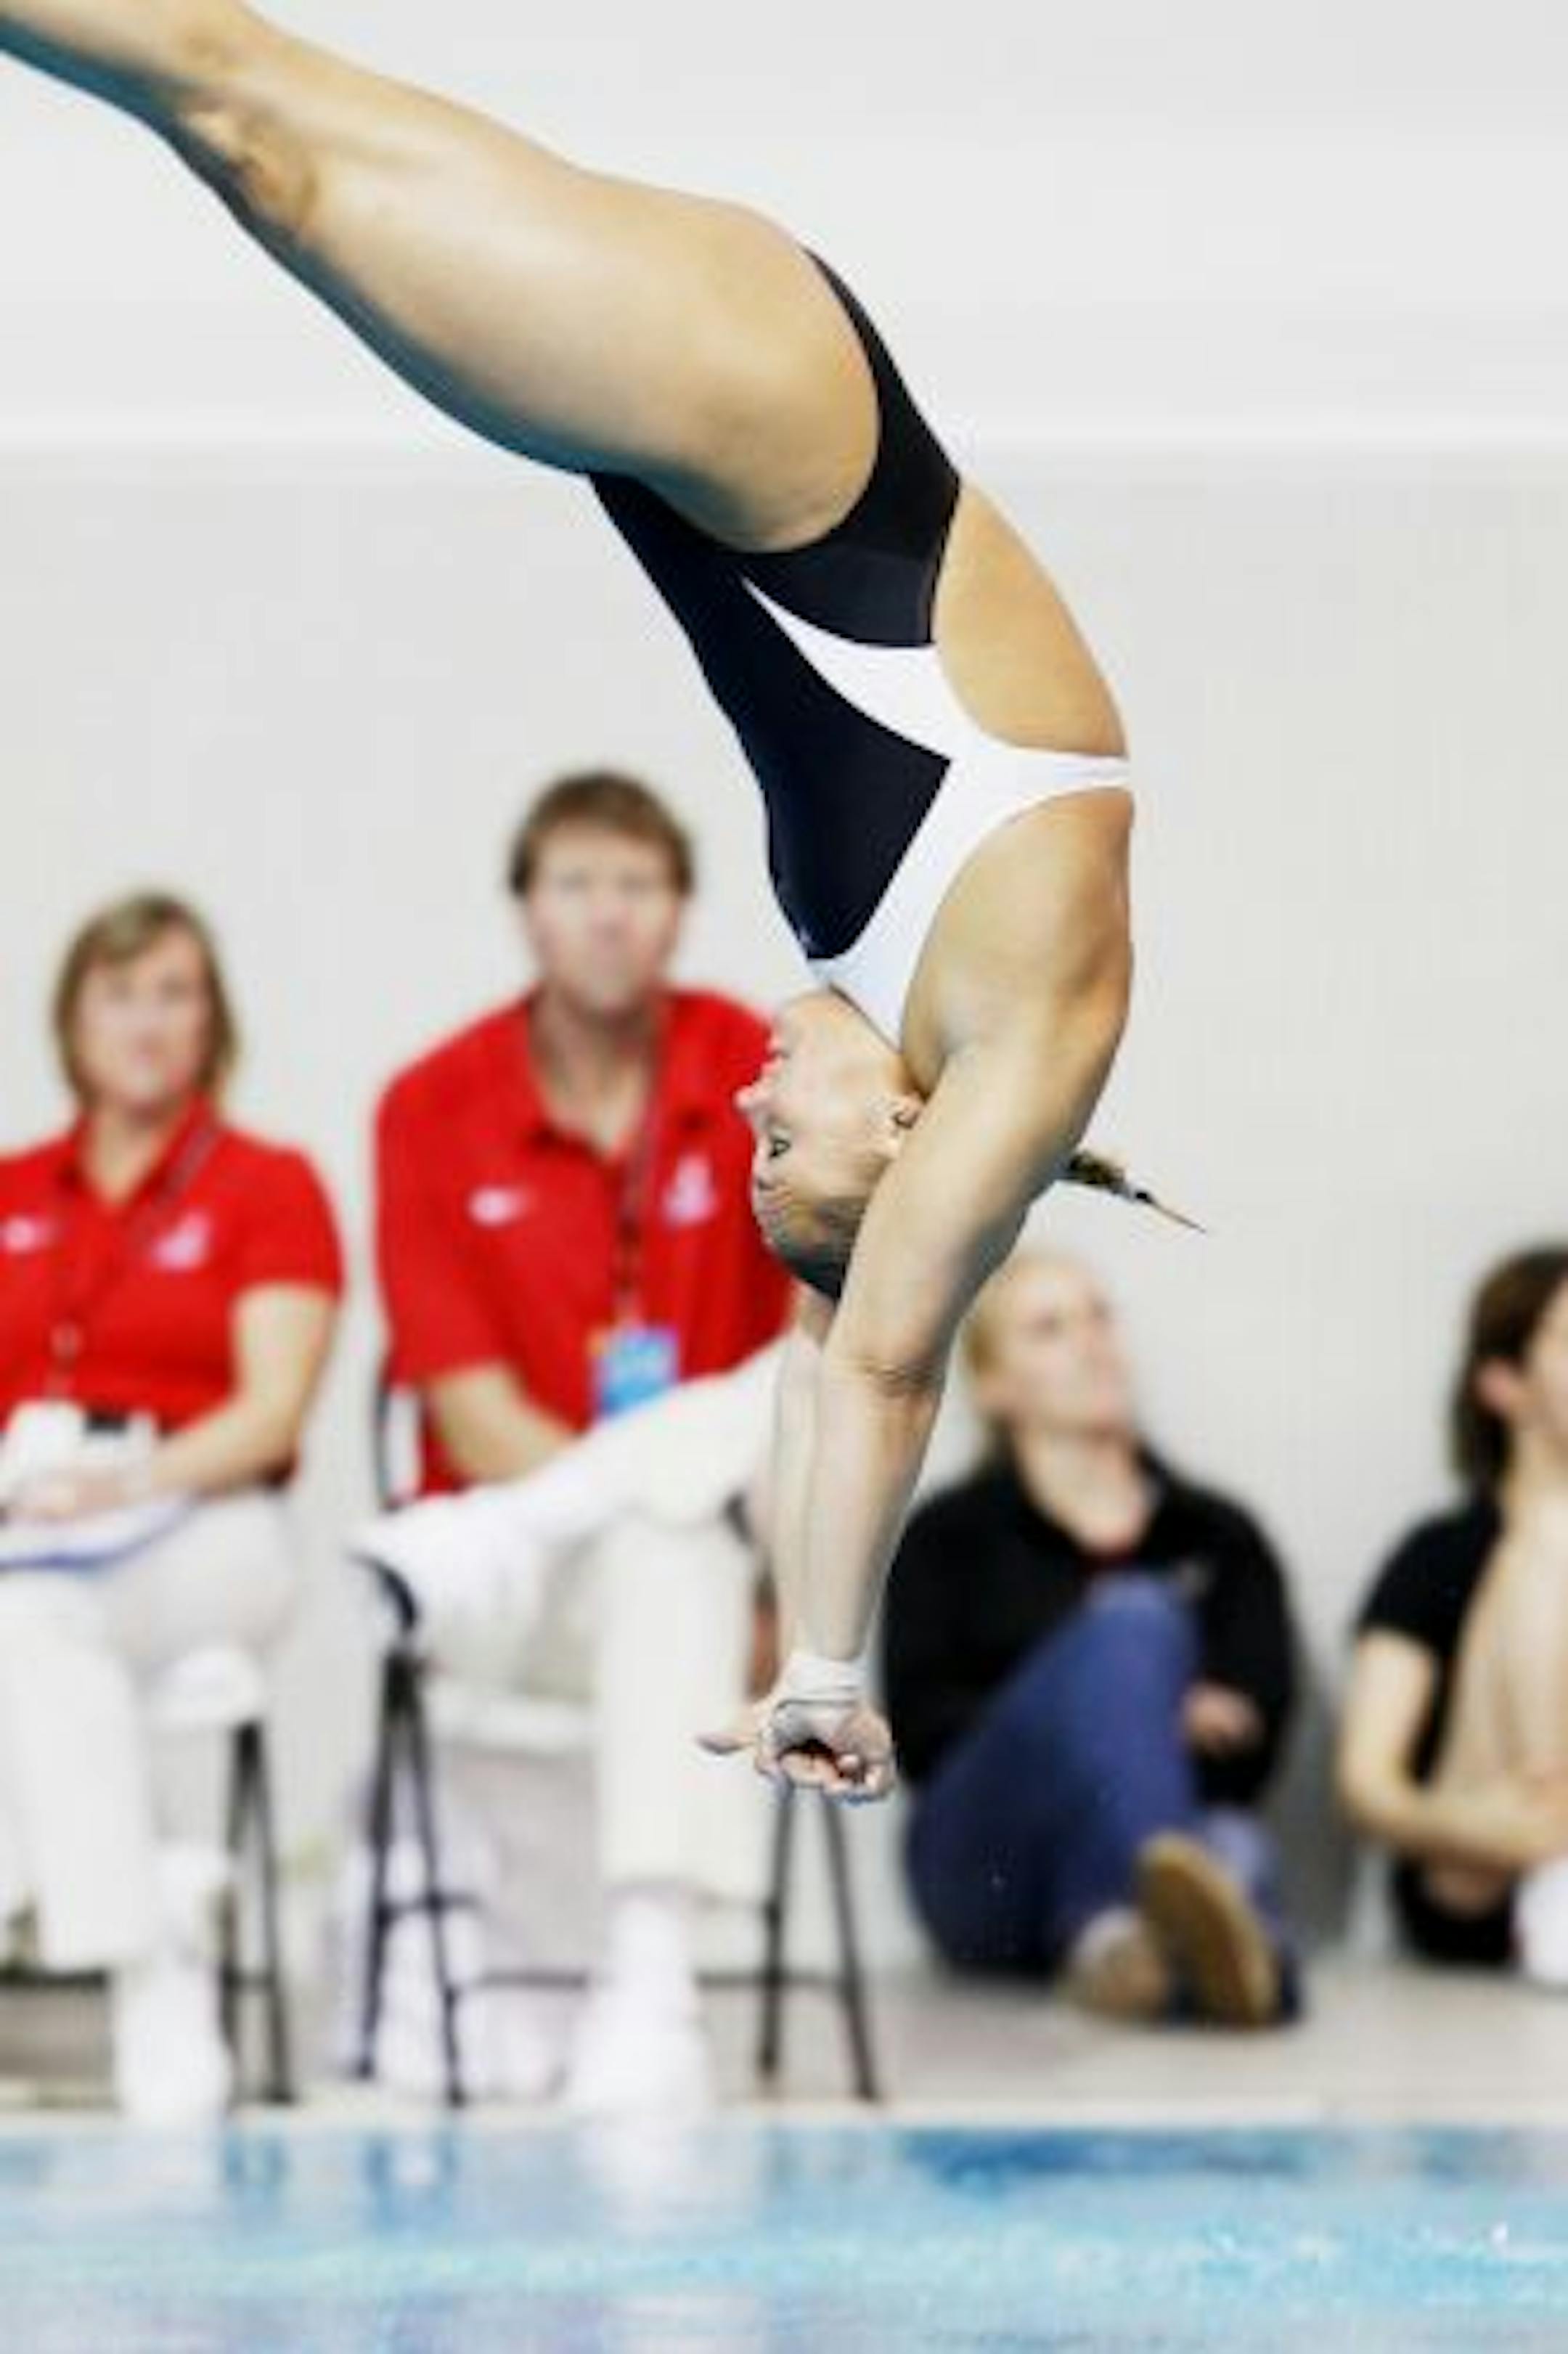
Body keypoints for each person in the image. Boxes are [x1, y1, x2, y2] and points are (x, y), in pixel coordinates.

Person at [0, 0, 1167, 1798]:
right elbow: (879, 1366)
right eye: (790, 1150)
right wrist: (828, 1668)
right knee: (255, 123)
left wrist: (786, 1622)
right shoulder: (1023, 1032)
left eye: (754, 1149)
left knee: (254, 159)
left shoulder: (910, 1028)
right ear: (918, 1143)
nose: (754, 1107)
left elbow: (808, 1376)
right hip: (789, 444)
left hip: (729, 456)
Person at [365, 770, 791, 2114]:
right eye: (577, 885)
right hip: (505, 1608)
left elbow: (815, 1369)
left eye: (638, 887)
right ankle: (652, 1981)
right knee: (667, 1522)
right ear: (526, 913)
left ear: (679, 913)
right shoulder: (429, 1102)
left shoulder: (760, 1071)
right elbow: (467, 1403)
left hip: (672, 1577)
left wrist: (795, 1585)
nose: (608, 917)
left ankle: (650, 1976)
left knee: (685, 1524)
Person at [0, 892, 341, 2122]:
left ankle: (126, 1960)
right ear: (71, 1018)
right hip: (31, 1540)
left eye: (174, 993)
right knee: (32, 1624)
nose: (146, 1023)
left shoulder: (267, 1185)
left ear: (214, 1021)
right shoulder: (14, 1187)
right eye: (120, 993)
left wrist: (123, 1484)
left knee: (25, 1626)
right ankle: (160, 1907)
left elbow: (271, 1409)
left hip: (207, 1527)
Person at [882, 1250, 1299, 2026]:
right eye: (1049, 1329)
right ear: (995, 1387)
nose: (1091, 1342)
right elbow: (924, 1735)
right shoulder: (949, 1538)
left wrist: (1122, 1718)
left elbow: (1255, 1738)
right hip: (987, 1869)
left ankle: (1123, 1949)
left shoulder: (1219, 1534)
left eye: (1100, 1316)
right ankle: (1185, 1941)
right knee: (1135, 1623)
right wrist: (1116, 1710)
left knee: (1239, 1844)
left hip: (1185, 1828)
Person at [1340, 1249, 1568, 1982]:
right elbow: (1368, 1780)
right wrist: (1489, 1828)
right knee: (1553, 1536)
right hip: (1483, 1868)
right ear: (1504, 1384)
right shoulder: (1439, 1555)